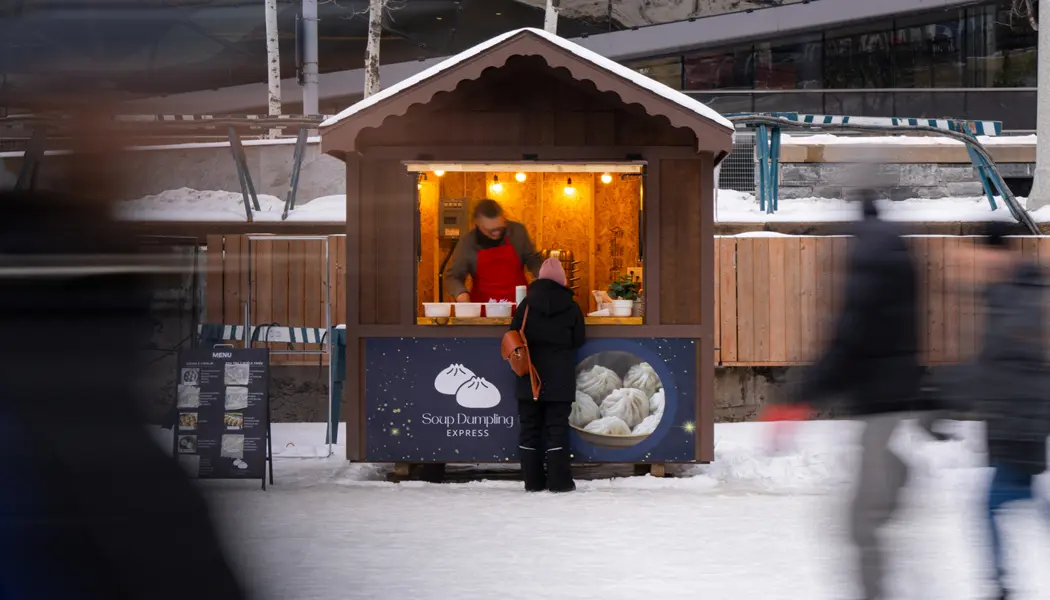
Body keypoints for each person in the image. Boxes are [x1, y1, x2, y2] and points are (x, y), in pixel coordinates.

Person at [762, 191, 923, 600]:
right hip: (891, 397)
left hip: (877, 404)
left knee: (861, 523)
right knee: (869, 511)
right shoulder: (899, 254)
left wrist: (800, 397)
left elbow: (849, 343)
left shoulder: (870, 261)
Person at [967, 222, 1050, 600]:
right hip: (1017, 421)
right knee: (1021, 499)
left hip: (1021, 422)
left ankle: (999, 584)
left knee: (991, 504)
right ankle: (999, 583)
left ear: (996, 254)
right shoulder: (1012, 294)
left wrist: (943, 395)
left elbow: (1002, 364)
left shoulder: (1015, 300)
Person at [509, 257, 586, 493]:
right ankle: (559, 482)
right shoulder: (572, 307)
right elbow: (578, 340)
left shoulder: (526, 305)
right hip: (560, 376)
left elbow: (513, 334)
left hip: (529, 375)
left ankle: (532, 481)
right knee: (557, 428)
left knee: (529, 427)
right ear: (563, 280)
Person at [444, 199, 543, 303]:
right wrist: (461, 293)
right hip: (484, 308)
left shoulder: (517, 232)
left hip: (519, 305)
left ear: (503, 219)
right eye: (490, 231)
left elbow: (534, 260)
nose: (496, 233)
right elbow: (453, 276)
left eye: (500, 228)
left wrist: (545, 278)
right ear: (478, 225)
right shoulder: (467, 243)